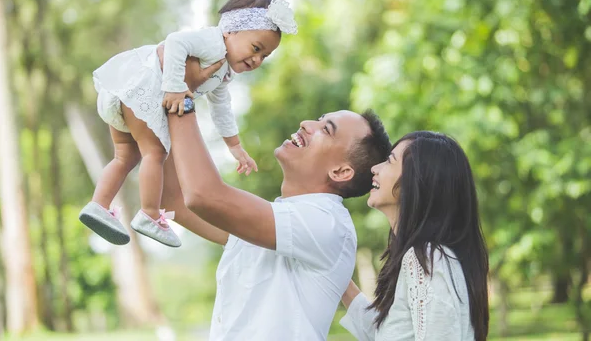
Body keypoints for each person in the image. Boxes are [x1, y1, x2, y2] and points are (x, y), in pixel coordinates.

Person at [162, 85, 392, 340]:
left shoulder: (327, 222)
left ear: (340, 172)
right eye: (319, 119)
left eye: (326, 130)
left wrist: (180, 98)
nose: (307, 124)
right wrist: (150, 110)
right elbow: (174, 201)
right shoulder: (277, 221)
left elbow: (202, 195)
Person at [79, 0, 297, 247]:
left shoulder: (224, 71)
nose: (257, 59)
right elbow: (175, 42)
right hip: (145, 90)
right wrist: (174, 86)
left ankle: (98, 205)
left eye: (265, 56)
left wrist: (234, 145)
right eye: (256, 48)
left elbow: (221, 106)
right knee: (155, 154)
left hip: (127, 93)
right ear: (231, 30)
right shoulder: (213, 43)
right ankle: (149, 214)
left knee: (125, 157)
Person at [339, 131, 489, 341]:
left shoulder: (427, 258)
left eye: (389, 161)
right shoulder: (427, 257)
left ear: (416, 181)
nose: (375, 168)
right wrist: (336, 274)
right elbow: (387, 335)